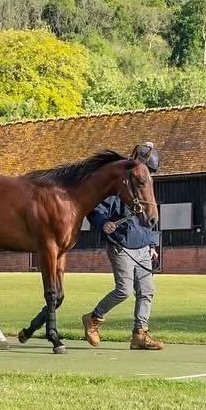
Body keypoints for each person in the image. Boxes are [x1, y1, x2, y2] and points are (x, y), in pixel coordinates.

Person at [82, 146, 163, 350]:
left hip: (143, 245)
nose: (147, 175)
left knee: (147, 290)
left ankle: (140, 334)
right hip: (121, 244)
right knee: (124, 290)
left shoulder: (145, 185)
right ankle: (93, 319)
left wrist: (152, 244)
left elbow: (148, 217)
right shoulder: (116, 184)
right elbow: (94, 210)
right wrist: (103, 223)